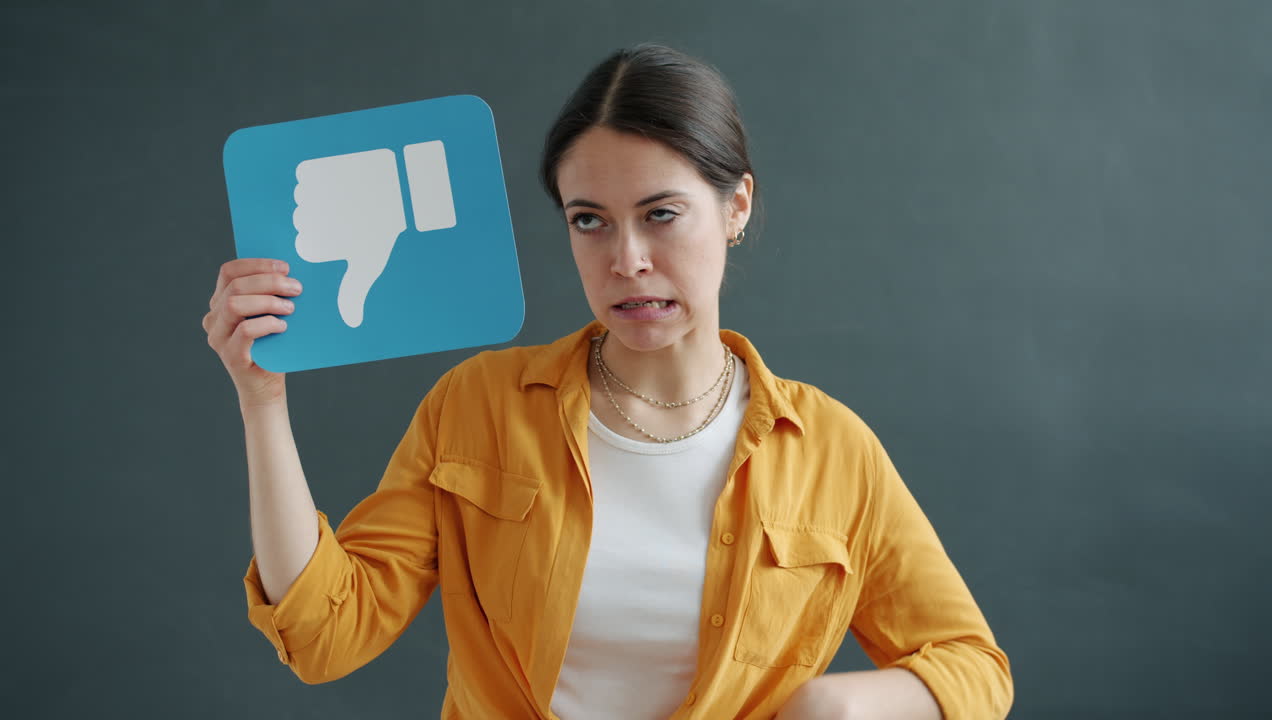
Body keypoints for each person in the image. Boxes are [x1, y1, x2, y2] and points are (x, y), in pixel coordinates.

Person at [204, 43, 1013, 720]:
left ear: (736, 208)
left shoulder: (833, 452)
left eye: (661, 214)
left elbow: (975, 668)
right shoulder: (476, 407)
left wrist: (833, 708)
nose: (625, 260)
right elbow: (324, 635)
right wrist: (262, 399)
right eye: (589, 220)